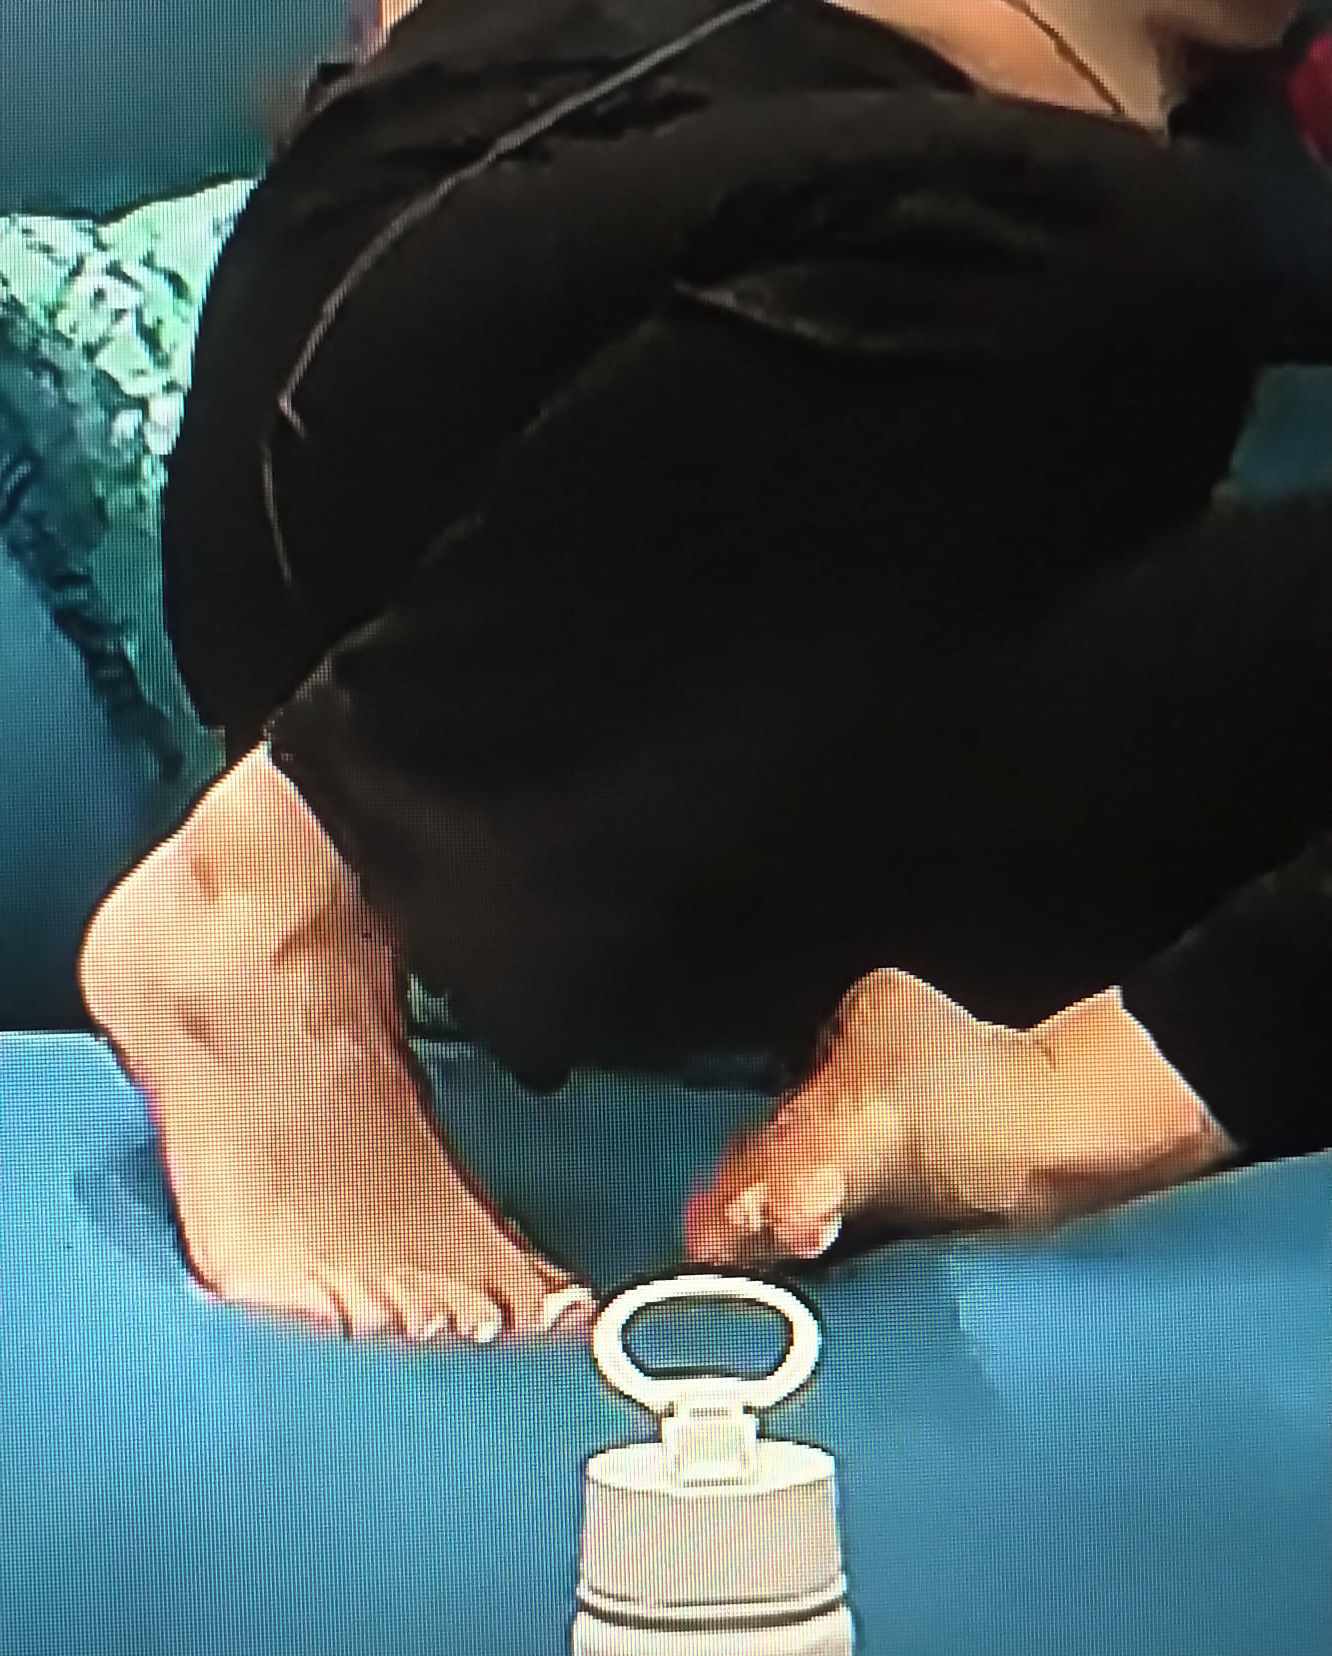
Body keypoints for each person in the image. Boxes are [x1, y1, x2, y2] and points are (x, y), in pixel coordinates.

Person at [78, 0, 1332, 1344]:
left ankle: (1018, 1084)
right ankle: (279, 893)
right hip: (460, 379)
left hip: (781, 740)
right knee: (1136, 246)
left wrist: (1110, 1085)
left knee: (1178, 293)